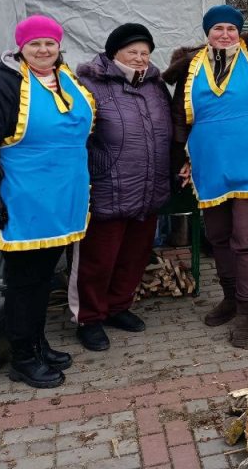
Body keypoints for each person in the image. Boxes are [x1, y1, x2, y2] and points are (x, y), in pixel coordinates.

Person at [0, 15, 95, 388]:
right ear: (20, 47)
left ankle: (38, 345)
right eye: (34, 43)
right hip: (24, 200)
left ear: (59, 46)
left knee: (42, 279)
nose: (43, 50)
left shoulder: (66, 80)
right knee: (24, 282)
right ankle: (22, 357)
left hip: (64, 197)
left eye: (50, 43)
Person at [163, 5, 248, 349]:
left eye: (231, 29)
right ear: (207, 33)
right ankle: (231, 298)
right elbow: (179, 117)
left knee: (246, 238)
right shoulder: (191, 66)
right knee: (218, 236)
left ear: (239, 32)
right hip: (209, 163)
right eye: (217, 29)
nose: (225, 34)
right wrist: (178, 160)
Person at [70, 23, 173, 351]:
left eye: (145, 52)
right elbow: (75, 136)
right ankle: (89, 318)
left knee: (134, 256)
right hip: (107, 187)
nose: (140, 58)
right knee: (97, 260)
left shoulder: (156, 85)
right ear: (114, 52)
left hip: (148, 188)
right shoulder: (89, 84)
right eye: (133, 52)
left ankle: (117, 306)